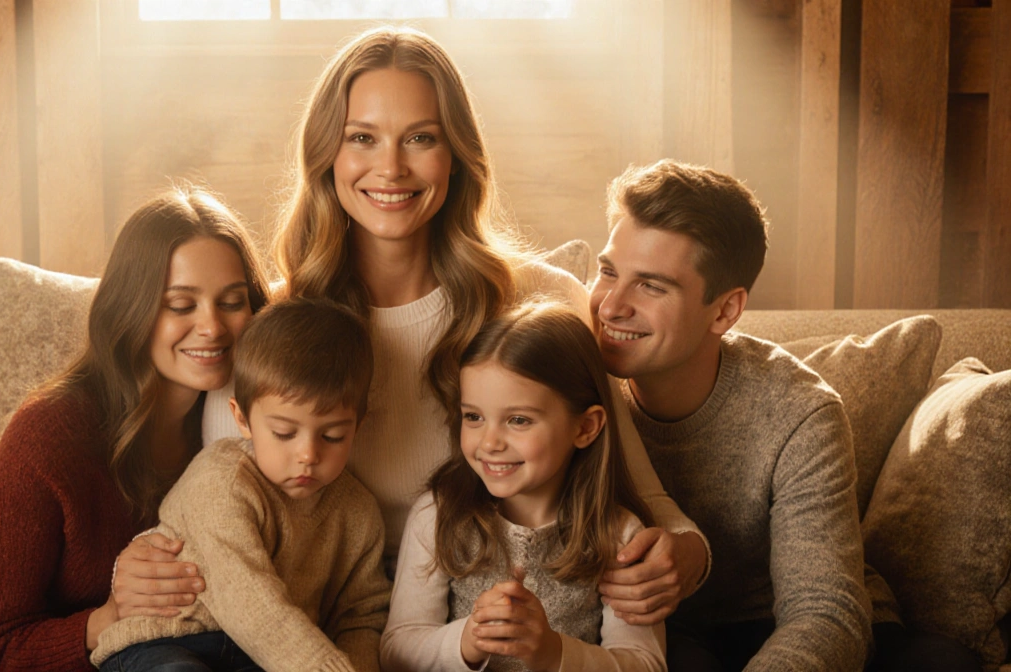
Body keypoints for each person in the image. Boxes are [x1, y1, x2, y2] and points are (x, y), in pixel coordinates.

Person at [258, 25, 710, 619]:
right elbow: (223, 498)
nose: (390, 167)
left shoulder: (540, 299)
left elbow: (637, 487)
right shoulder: (278, 319)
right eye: (361, 137)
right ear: (327, 156)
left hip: (503, 611)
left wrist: (684, 555)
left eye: (420, 137)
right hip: (332, 618)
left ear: (456, 157)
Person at [590, 159, 981, 671]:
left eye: (651, 286)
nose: (610, 306)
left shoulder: (799, 410)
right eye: (608, 272)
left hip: (790, 625)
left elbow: (825, 613)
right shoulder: (569, 386)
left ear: (725, 311)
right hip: (675, 637)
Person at [0, 186, 270, 671]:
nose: (213, 327)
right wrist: (113, 616)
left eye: (232, 302)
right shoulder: (49, 434)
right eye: (181, 305)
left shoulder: (237, 431)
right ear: (131, 311)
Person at [92, 297, 390, 672]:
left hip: (264, 659)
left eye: (332, 436)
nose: (308, 455)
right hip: (164, 641)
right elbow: (244, 593)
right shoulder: (222, 479)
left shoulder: (358, 513)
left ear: (357, 427)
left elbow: (362, 618)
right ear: (243, 419)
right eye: (284, 433)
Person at [381, 302, 667, 672]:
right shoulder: (437, 517)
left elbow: (646, 664)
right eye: (474, 417)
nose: (490, 442)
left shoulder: (620, 537)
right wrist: (466, 641)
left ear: (585, 428)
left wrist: (552, 654)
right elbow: (396, 649)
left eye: (518, 420)